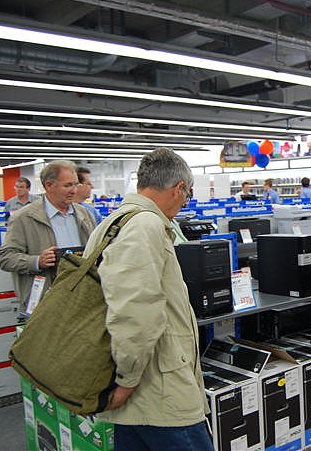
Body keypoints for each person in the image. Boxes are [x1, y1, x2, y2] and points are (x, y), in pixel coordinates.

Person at [83, 147, 213, 451]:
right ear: (178, 188)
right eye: (186, 195)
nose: (184, 203)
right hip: (159, 391)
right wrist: (126, 382)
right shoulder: (145, 226)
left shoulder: (112, 223)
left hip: (141, 392)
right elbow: (135, 313)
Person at [0, 161, 95, 311]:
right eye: (68, 185)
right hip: (46, 302)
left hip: (82, 296)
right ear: (49, 185)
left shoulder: (84, 214)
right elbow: (5, 258)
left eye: (76, 185)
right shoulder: (24, 218)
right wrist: (37, 261)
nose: (74, 190)